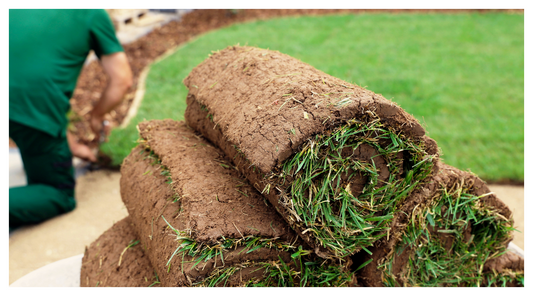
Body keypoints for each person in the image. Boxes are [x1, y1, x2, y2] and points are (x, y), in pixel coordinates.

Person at [9, 9, 132, 230]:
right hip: (24, 105)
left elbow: (29, 73)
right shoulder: (92, 14)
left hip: (21, 103)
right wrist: (97, 116)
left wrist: (71, 146)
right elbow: (122, 79)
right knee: (57, 193)